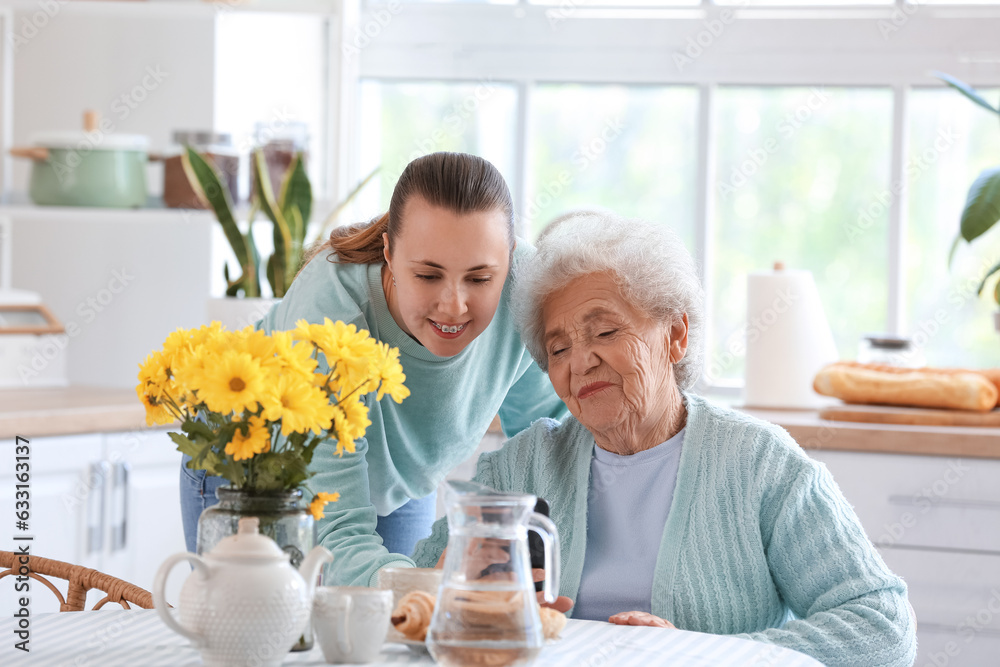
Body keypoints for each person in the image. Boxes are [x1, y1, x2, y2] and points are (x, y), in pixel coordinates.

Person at [412, 212, 917, 666]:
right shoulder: (526, 464)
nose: (580, 361)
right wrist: (454, 587)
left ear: (675, 335)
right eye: (559, 348)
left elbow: (883, 625)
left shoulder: (758, 462)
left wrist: (703, 655)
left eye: (605, 332)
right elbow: (413, 590)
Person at [180, 152, 568, 587]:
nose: (454, 306)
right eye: (427, 275)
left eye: (479, 279)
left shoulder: (526, 290)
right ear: (388, 253)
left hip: (396, 475)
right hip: (256, 468)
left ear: (510, 258)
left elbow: (550, 444)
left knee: (397, 634)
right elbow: (336, 533)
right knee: (273, 638)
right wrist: (431, 587)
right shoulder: (331, 317)